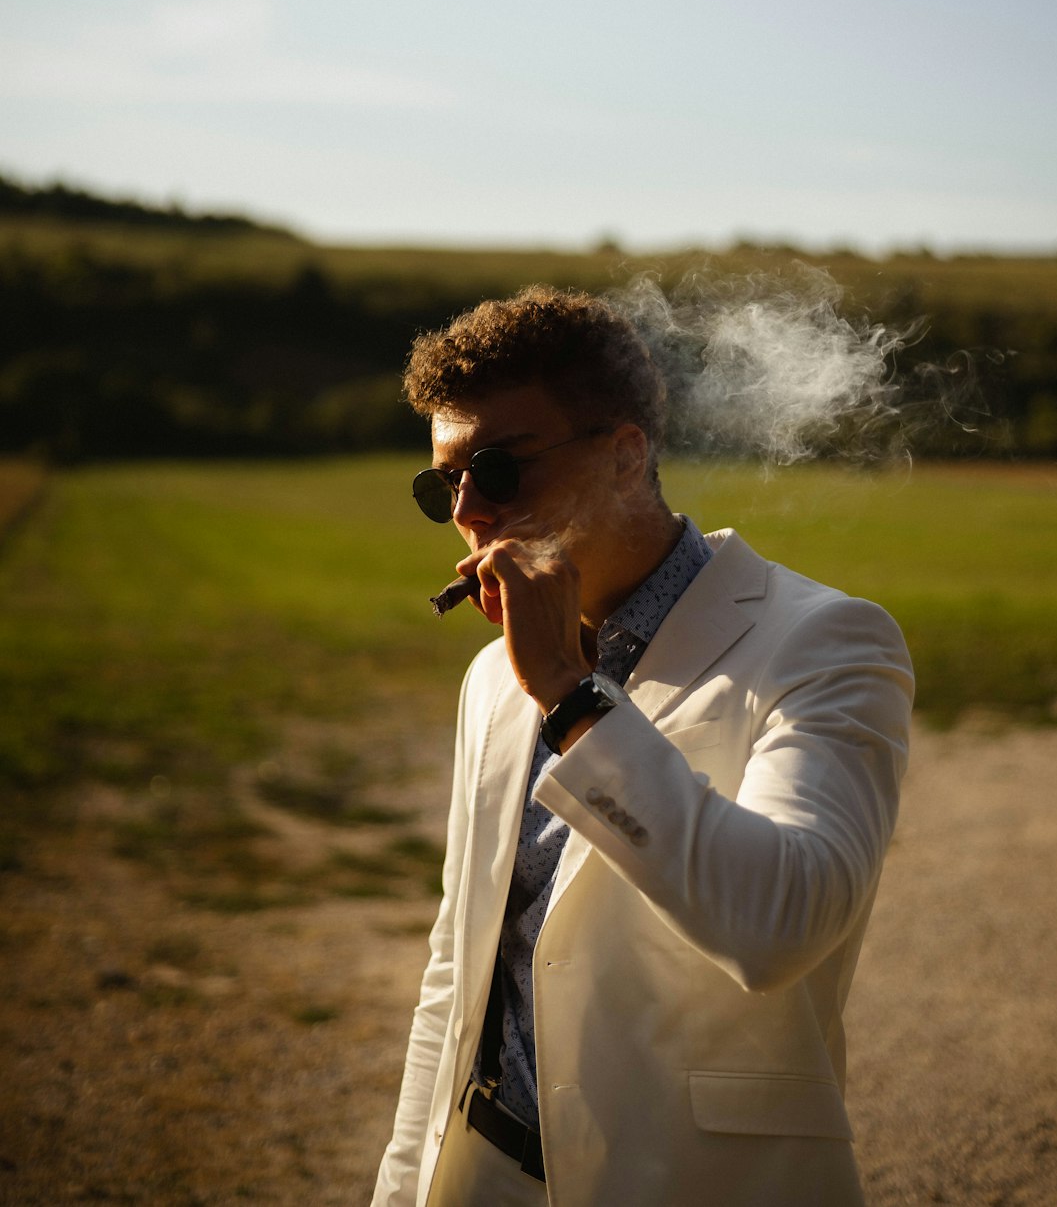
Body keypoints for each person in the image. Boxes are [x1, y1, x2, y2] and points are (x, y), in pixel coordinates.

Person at [372, 285, 913, 1207]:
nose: (468, 513)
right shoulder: (494, 677)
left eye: (498, 471)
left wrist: (574, 699)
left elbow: (780, 924)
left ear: (626, 457)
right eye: (442, 484)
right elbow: (459, 968)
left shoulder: (823, 641)